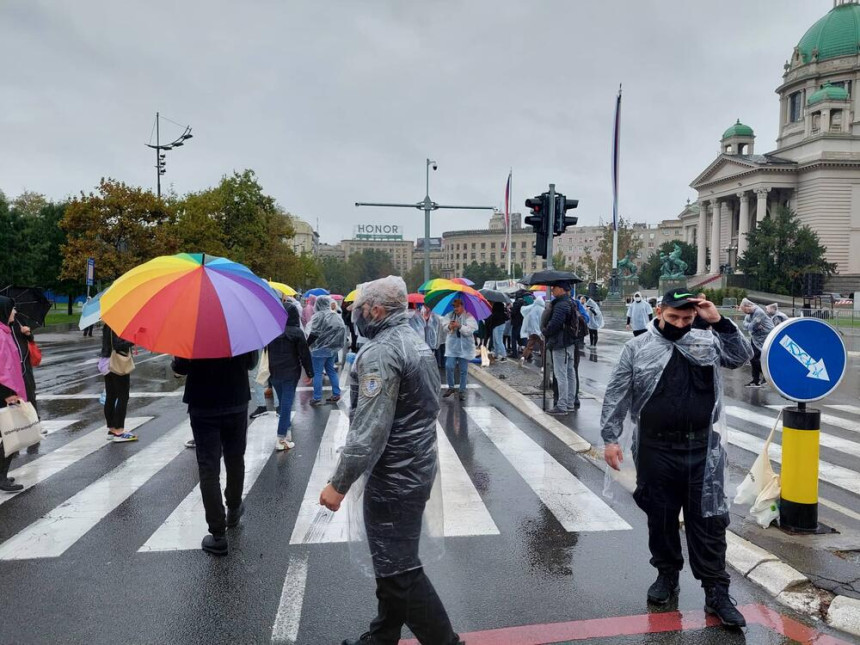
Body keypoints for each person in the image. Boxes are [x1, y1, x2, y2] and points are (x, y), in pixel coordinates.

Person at [318, 276, 461, 645]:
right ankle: (383, 637)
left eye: (360, 308)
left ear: (377, 310)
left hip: (394, 477)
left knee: (400, 572)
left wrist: (339, 483)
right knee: (394, 560)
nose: (356, 315)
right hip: (414, 467)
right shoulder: (416, 341)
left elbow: (370, 429)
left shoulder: (382, 352)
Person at [601, 290, 752, 628]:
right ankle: (666, 575)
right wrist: (610, 438)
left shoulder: (705, 342)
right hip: (656, 450)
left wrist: (718, 321)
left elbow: (740, 356)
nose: (681, 325)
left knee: (709, 521)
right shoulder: (637, 348)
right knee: (661, 516)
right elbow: (618, 392)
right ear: (660, 311)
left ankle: (716, 591)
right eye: (674, 318)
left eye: (687, 319)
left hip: (702, 449)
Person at [172, 349, 258, 555]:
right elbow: (251, 363)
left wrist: (175, 361)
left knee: (208, 468)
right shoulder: (240, 323)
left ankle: (218, 534)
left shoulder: (192, 328)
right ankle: (234, 509)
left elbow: (181, 367)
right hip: (236, 400)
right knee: (235, 458)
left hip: (203, 403)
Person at [268, 298, 314, 451]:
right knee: (287, 404)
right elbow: (304, 354)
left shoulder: (272, 330)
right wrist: (309, 372)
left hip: (274, 372)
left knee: (283, 403)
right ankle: (281, 437)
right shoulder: (296, 332)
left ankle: (286, 430)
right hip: (290, 372)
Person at [0, 296, 27, 492]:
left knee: (9, 435)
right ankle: (1, 477)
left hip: (6, 393)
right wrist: (8, 393)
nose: (15, 312)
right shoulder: (0, 335)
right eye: (12, 309)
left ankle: (1, 476)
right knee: (10, 434)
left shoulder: (5, 332)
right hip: (4, 394)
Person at [540, 282, 577, 416]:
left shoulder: (561, 305)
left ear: (561, 289)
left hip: (560, 343)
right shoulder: (571, 302)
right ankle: (570, 403)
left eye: (554, 288)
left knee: (561, 374)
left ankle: (562, 405)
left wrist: (545, 331)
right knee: (569, 374)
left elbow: (555, 323)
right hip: (569, 343)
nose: (552, 290)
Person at [306, 295, 346, 406]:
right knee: (331, 371)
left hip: (319, 349)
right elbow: (342, 329)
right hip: (332, 349)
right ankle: (336, 394)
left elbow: (314, 333)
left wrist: (306, 345)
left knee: (317, 373)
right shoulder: (335, 315)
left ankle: (317, 397)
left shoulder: (318, 316)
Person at [101, 324, 136, 442]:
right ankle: (119, 430)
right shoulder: (117, 325)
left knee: (111, 395)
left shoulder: (108, 323)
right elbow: (118, 344)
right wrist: (133, 341)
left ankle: (111, 428)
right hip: (117, 362)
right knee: (123, 396)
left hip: (106, 361)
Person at [442, 298, 478, 401]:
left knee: (463, 370)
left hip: (464, 348)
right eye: (454, 306)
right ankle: (451, 387)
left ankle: (462, 390)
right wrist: (449, 326)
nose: (455, 308)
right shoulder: (449, 315)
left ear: (462, 306)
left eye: (457, 306)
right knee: (449, 366)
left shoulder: (469, 316)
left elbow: (469, 331)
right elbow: (444, 327)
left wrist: (460, 326)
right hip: (452, 347)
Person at [739, 298, 774, 388]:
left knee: (756, 358)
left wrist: (752, 326)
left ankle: (767, 376)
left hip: (765, 338)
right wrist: (754, 326)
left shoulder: (759, 312)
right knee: (752, 357)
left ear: (748, 306)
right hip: (756, 337)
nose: (744, 312)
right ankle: (756, 380)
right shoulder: (750, 314)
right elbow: (745, 325)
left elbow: (751, 326)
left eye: (744, 310)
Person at [519, 296, 544, 367]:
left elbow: (527, 320)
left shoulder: (531, 309)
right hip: (540, 333)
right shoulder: (542, 310)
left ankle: (523, 357)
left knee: (529, 346)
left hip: (532, 332)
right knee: (542, 348)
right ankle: (543, 366)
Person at [510, 294, 525, 359]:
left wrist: (511, 310)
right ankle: (526, 353)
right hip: (522, 323)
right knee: (521, 339)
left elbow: (513, 313)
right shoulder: (524, 303)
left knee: (513, 339)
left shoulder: (516, 304)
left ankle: (514, 354)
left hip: (516, 324)